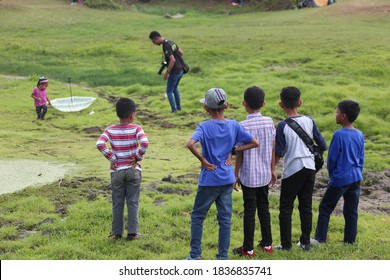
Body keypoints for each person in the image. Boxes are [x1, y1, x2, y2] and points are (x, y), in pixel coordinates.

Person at [185, 88, 259, 260]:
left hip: (209, 179)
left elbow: (190, 144)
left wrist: (203, 161)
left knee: (197, 216)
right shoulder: (234, 125)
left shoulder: (204, 126)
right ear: (226, 105)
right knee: (225, 219)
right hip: (227, 178)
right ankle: (222, 258)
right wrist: (234, 150)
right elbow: (255, 142)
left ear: (206, 108)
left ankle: (195, 256)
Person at [274, 86, 327, 251]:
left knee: (286, 207)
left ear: (281, 104)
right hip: (310, 167)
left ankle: (286, 245)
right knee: (306, 206)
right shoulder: (309, 120)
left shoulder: (282, 126)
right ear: (300, 102)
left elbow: (280, 152)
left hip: (293, 169)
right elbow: (323, 145)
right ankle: (305, 243)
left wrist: (272, 169)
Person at [96, 98, 149, 241]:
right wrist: (137, 157)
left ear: (117, 114)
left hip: (117, 171)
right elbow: (144, 143)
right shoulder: (136, 128)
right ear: (132, 115)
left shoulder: (110, 129)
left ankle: (116, 233)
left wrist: (112, 159)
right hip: (133, 170)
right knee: (132, 202)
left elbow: (100, 143)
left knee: (117, 202)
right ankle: (133, 233)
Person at [312, 100, 364, 245]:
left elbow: (332, 159)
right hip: (355, 177)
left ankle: (319, 238)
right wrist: (358, 171)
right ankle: (349, 240)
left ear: (343, 116)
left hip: (340, 178)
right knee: (351, 211)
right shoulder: (359, 134)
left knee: (325, 207)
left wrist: (333, 175)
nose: (335, 114)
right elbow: (361, 158)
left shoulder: (338, 135)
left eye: (337, 112)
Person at [232, 86, 276, 258]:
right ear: (264, 103)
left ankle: (248, 249)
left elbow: (240, 152)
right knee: (264, 208)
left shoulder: (242, 126)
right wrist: (273, 168)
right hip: (265, 173)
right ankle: (267, 244)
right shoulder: (269, 122)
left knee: (249, 210)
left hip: (249, 175)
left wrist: (236, 173)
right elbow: (272, 147)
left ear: (244, 103)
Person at [149, 31, 185, 113]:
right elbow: (181, 52)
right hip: (180, 70)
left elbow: (172, 60)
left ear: (157, 38)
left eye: (153, 41)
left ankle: (174, 110)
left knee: (169, 91)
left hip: (174, 71)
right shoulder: (171, 42)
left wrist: (167, 72)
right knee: (175, 88)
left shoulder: (166, 46)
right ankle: (179, 108)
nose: (154, 43)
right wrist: (177, 62)